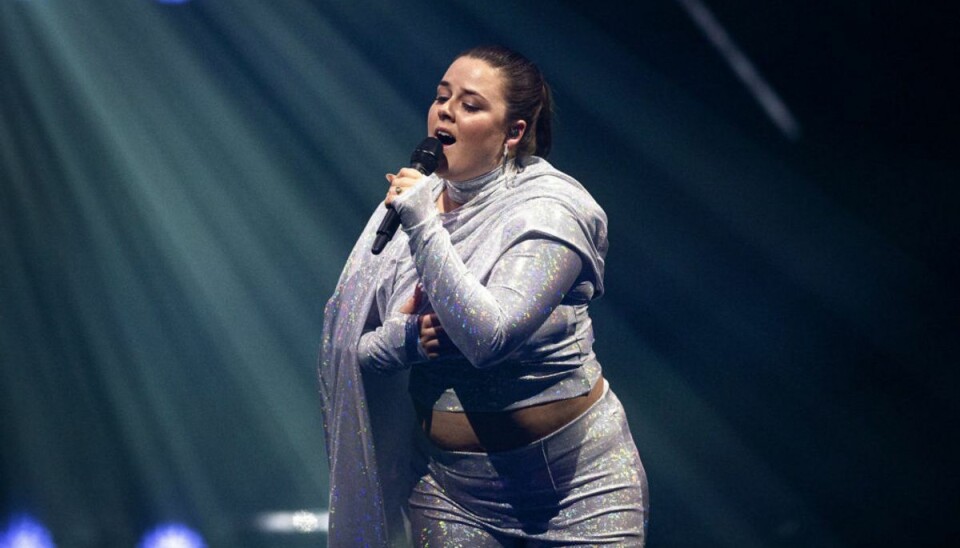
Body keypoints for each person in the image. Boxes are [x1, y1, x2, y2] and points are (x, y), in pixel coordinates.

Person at [319, 45, 648, 547]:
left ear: (513, 132)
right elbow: (350, 353)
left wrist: (424, 225)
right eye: (441, 97)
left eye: (470, 105)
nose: (445, 111)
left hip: (578, 488)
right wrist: (407, 340)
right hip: (451, 494)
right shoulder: (414, 205)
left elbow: (487, 338)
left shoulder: (551, 210)